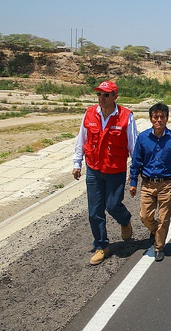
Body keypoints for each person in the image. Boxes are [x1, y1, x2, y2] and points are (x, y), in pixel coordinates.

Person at [72, 80, 138, 266]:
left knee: (112, 205)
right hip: (93, 168)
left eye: (106, 95)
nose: (102, 98)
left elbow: (133, 145)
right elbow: (81, 139)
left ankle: (125, 220)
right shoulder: (90, 113)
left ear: (115, 97)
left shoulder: (126, 116)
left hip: (115, 170)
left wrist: (135, 173)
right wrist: (77, 163)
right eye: (100, 94)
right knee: (94, 211)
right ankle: (102, 246)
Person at [128, 103, 171, 262]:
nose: (159, 120)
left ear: (167, 118)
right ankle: (155, 230)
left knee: (164, 217)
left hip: (166, 184)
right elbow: (136, 161)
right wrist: (133, 182)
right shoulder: (143, 138)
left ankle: (159, 247)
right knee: (145, 216)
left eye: (162, 117)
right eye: (155, 117)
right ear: (151, 118)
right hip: (147, 183)